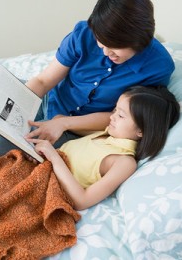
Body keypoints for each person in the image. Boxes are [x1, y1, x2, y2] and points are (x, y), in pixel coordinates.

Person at [0, 0, 175, 155]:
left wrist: (63, 122)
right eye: (101, 43)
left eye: (115, 46)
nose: (107, 52)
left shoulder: (158, 67)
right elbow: (43, 81)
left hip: (76, 130)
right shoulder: (84, 33)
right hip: (48, 100)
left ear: (140, 40)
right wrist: (18, 107)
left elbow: (126, 117)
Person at [26, 86, 180, 210]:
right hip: (37, 169)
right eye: (115, 110)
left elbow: (82, 200)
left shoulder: (124, 162)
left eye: (121, 116)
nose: (111, 117)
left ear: (142, 131)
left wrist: (53, 157)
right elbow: (63, 121)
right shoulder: (107, 133)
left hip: (48, 188)